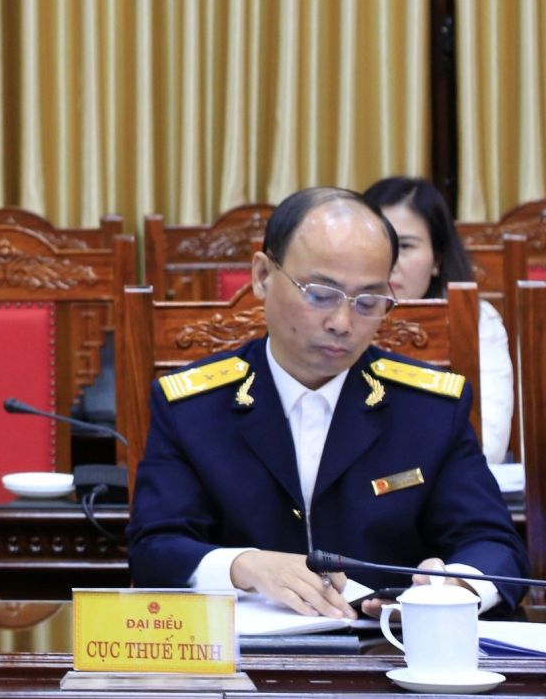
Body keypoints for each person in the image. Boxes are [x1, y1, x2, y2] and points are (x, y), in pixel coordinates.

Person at [127, 187, 525, 619]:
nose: (342, 323)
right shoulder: (192, 407)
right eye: (320, 294)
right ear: (262, 276)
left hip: (386, 646)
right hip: (242, 652)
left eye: (368, 302)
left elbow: (494, 545)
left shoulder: (429, 409)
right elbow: (155, 547)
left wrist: (452, 589)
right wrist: (245, 566)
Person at [364, 177, 514, 464]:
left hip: (443, 479)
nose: (388, 261)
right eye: (375, 243)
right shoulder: (332, 318)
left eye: (404, 246)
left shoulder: (477, 319)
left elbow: (489, 443)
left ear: (437, 259)